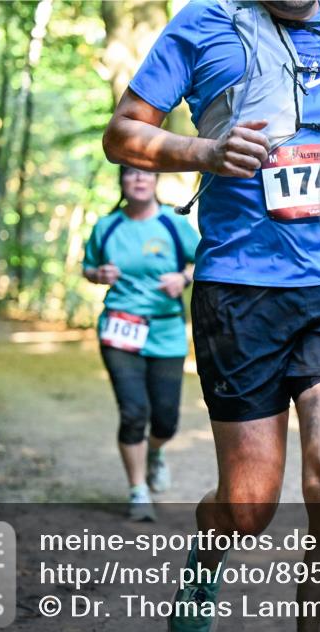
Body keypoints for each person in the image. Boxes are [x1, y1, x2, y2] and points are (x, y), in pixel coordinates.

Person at [103, 0, 320, 632]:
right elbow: (122, 133)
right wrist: (207, 151)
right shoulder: (204, 24)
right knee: (249, 506)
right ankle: (211, 540)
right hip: (241, 288)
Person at [82, 166, 199, 522]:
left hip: (165, 331)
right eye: (131, 174)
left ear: (155, 181)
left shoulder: (173, 223)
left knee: (166, 421)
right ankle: (138, 490)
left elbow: (205, 258)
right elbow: (88, 267)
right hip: (119, 330)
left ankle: (154, 452)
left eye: (146, 174)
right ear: (121, 182)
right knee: (134, 412)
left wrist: (183, 277)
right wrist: (98, 275)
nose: (139, 179)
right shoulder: (107, 226)